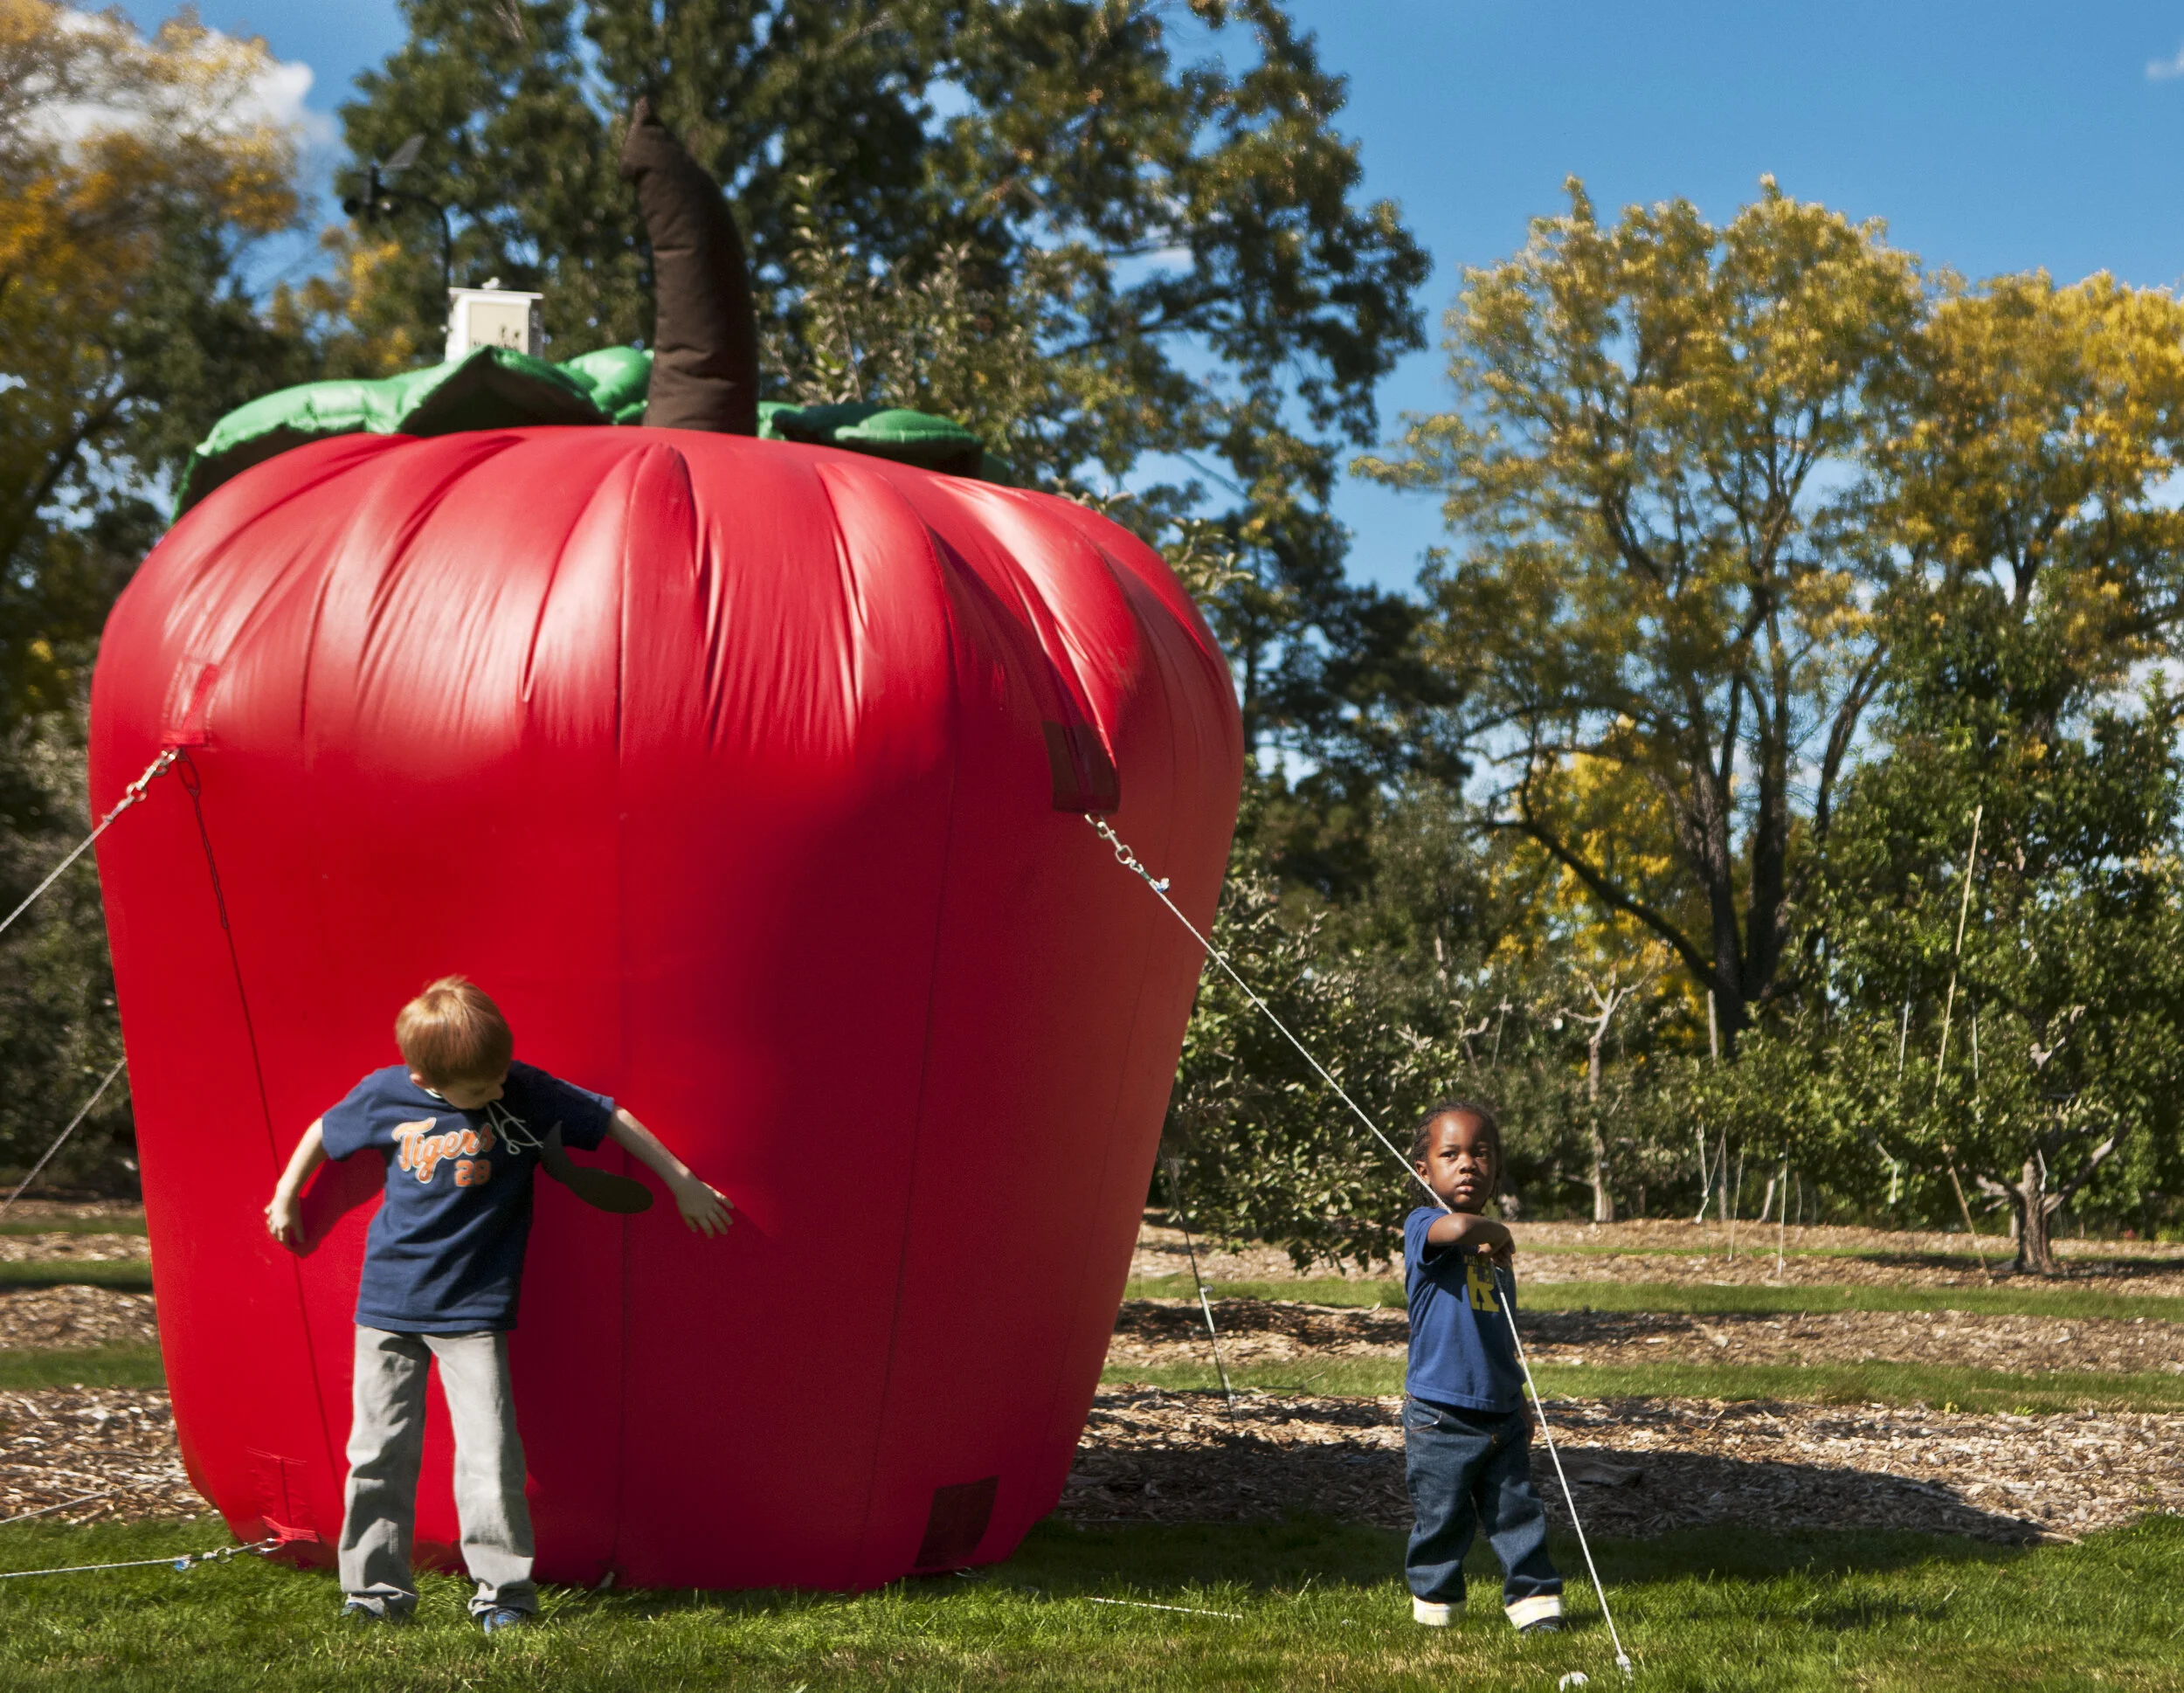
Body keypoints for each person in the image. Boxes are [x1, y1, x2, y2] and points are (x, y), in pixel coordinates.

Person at [263, 975, 731, 1632]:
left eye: (499, 1078)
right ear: (423, 1078)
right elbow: (325, 1128)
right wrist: (287, 1194)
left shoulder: (521, 1087)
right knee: (377, 1453)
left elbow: (611, 1118)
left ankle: (504, 1596)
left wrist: (683, 1183)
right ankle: (374, 1593)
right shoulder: (386, 1093)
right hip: (389, 1304)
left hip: (475, 1311)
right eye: (479, 1091)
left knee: (490, 1457)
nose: (495, 1093)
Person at [1401, 1100, 1564, 1634]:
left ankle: (1536, 1605)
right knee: (1442, 1518)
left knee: (1518, 1512)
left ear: (1496, 1168)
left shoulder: (1492, 1249)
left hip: (1500, 1410)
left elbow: (1499, 1334)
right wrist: (1494, 1229)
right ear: (1424, 1171)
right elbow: (1455, 1230)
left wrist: (1519, 1397)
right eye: (1450, 1155)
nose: (1468, 1164)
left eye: (1481, 1153)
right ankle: (1437, 1608)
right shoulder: (1424, 1225)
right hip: (1440, 1415)